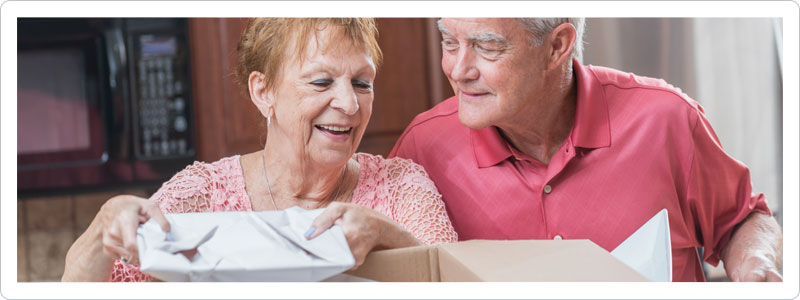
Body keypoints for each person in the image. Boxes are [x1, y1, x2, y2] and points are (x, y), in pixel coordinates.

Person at [62, 18, 457, 282]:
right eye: (321, 82)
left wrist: (385, 234)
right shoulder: (202, 193)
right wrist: (103, 228)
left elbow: (457, 279)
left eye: (361, 82)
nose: (350, 105)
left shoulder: (402, 186)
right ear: (262, 91)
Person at [390, 18, 782, 282]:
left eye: (487, 47)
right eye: (449, 42)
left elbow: (740, 221)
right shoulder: (422, 148)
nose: (458, 70)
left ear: (557, 46)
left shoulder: (667, 119)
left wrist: (756, 264)